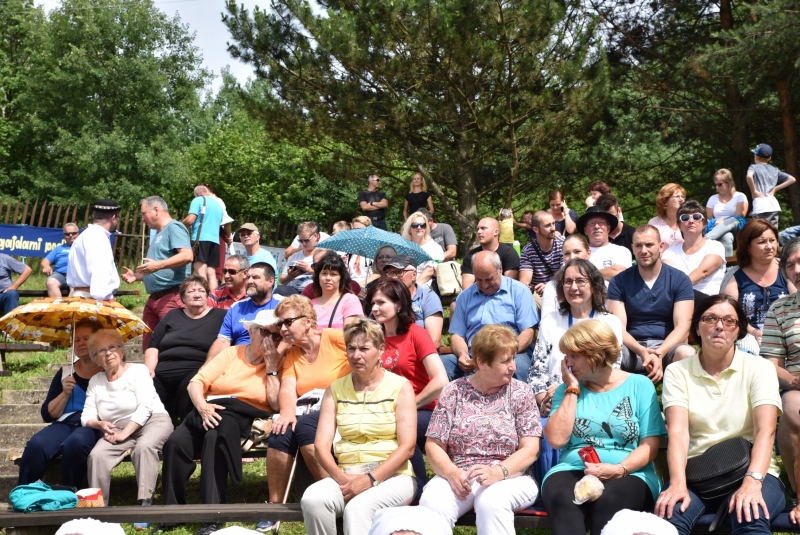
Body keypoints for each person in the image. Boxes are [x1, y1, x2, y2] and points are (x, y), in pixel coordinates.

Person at [656, 295, 784, 535]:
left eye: (729, 321)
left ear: (739, 331)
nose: (719, 326)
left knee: (750, 514)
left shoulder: (760, 368)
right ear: (697, 326)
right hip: (697, 475)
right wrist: (677, 483)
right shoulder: (677, 372)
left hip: (754, 470)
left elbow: (765, 431)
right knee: (668, 519)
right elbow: (678, 432)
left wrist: (752, 482)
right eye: (710, 318)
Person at [161, 310, 282, 535]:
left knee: (214, 437)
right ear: (251, 331)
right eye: (265, 332)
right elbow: (196, 382)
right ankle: (171, 508)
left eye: (276, 336)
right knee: (175, 442)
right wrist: (202, 406)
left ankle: (213, 514)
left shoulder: (278, 360)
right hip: (210, 410)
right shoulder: (231, 353)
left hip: (246, 416)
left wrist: (272, 366)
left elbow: (275, 405)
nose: (270, 340)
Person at [542, 320, 666, 535]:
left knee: (611, 500)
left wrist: (619, 470)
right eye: (566, 356)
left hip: (630, 471)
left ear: (596, 354)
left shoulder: (639, 385)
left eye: (574, 355)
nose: (567, 363)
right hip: (572, 469)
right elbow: (556, 440)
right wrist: (572, 389)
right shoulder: (567, 389)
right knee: (563, 498)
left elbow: (650, 446)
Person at [420, 324, 541, 534]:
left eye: (513, 358)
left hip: (510, 476)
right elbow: (434, 444)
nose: (513, 366)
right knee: (433, 502)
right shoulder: (454, 391)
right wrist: (451, 473)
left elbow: (531, 448)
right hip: (460, 474)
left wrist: (498, 472)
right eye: (505, 361)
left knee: (492, 503)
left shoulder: (521, 392)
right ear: (482, 363)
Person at [300, 319, 417, 534]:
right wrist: (343, 479)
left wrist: (370, 480)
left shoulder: (400, 387)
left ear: (381, 349)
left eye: (364, 348)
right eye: (351, 348)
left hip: (393, 476)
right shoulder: (334, 389)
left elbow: (408, 446)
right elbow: (320, 446)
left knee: (357, 508)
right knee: (313, 499)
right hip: (347, 473)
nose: (356, 355)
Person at [257, 295, 352, 533]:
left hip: (344, 404)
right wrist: (287, 413)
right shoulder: (292, 354)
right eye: (280, 324)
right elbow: (288, 389)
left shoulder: (335, 338)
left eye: (288, 322)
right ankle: (275, 505)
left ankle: (334, 495)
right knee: (281, 431)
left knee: (306, 425)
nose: (283, 328)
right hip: (309, 408)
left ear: (309, 321)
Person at [528, 259, 624, 484]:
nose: (573, 287)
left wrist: (568, 391)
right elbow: (536, 372)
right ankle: (550, 489)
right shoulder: (551, 320)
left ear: (594, 286)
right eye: (568, 282)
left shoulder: (610, 322)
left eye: (580, 281)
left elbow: (612, 371)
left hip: (595, 398)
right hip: (553, 401)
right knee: (543, 427)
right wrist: (544, 401)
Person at [366, 279, 447, 495]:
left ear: (399, 305)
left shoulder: (416, 333)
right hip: (386, 409)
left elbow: (440, 381)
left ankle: (418, 491)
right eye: (373, 303)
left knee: (399, 428)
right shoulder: (374, 338)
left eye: (381, 302)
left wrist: (409, 405)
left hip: (426, 410)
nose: (375, 308)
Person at [82, 329, 173, 505]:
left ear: (122, 350)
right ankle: (97, 507)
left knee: (143, 447)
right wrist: (99, 424)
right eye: (101, 351)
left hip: (153, 420)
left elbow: (145, 407)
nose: (108, 353)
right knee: (97, 455)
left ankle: (145, 503)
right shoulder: (95, 381)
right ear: (95, 358)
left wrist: (124, 434)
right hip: (117, 428)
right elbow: (86, 416)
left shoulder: (139, 371)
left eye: (112, 347)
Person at [17, 319, 103, 488]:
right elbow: (47, 414)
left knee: (75, 444)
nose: (81, 343)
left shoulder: (108, 371)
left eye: (86, 338)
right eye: (76, 339)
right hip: (66, 423)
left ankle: (70, 492)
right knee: (37, 444)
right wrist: (64, 393)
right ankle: (25, 492)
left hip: (93, 425)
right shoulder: (65, 373)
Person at [607, 225, 695, 383]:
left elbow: (682, 327)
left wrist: (659, 353)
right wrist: (641, 351)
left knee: (687, 354)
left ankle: (679, 405)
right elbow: (618, 328)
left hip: (668, 347)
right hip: (632, 348)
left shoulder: (680, 280)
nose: (644, 250)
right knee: (605, 353)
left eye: (649, 245)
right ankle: (617, 399)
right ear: (632, 248)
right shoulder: (619, 282)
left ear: (661, 247)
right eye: (639, 246)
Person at [446, 251, 538, 382]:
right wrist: (462, 354)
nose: (484, 285)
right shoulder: (465, 297)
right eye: (479, 280)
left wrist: (507, 355)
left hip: (511, 354)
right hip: (475, 355)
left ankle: (518, 401)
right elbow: (457, 335)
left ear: (500, 269)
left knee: (520, 367)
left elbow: (528, 332)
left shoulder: (519, 291)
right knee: (442, 364)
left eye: (489, 279)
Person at [145, 275, 227, 420]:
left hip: (196, 371)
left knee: (189, 390)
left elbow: (226, 343)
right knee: (146, 400)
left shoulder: (220, 316)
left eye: (201, 291)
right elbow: (154, 344)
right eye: (191, 291)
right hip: (163, 372)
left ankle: (184, 434)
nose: (196, 295)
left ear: (207, 295)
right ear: (182, 297)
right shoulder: (172, 315)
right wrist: (149, 369)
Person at [758, 238, 800, 519]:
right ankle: (799, 496)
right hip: (797, 385)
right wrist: (795, 382)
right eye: (790, 265)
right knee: (794, 409)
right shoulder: (780, 309)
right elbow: (771, 364)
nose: (797, 269)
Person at [122, 196, 192, 349]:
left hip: (171, 297)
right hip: (154, 299)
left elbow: (187, 255)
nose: (142, 219)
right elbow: (158, 268)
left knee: (171, 343)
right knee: (150, 346)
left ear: (156, 210)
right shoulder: (159, 233)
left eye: (143, 213)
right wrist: (138, 276)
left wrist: (157, 266)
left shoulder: (174, 227)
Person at [723, 219, 794, 355]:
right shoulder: (734, 276)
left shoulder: (787, 269)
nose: (769, 246)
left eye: (772, 240)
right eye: (762, 242)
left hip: (787, 331)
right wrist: (754, 332)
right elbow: (728, 313)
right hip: (748, 335)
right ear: (747, 247)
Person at [206, 262, 280, 361]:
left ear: (270, 281)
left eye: (255, 277)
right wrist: (208, 365)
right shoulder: (236, 307)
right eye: (248, 277)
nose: (249, 281)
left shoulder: (283, 306)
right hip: (236, 361)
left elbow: (288, 341)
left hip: (269, 360)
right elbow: (223, 341)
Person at [662, 200, 726, 300]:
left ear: (704, 223)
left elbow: (703, 272)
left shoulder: (716, 246)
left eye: (697, 217)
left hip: (710, 302)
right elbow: (668, 278)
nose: (691, 221)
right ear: (679, 225)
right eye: (685, 218)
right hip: (680, 300)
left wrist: (678, 289)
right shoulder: (670, 253)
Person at [383, 255, 443, 347]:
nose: (394, 277)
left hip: (420, 355)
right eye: (391, 273)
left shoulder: (427, 297)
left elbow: (434, 340)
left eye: (399, 272)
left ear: (414, 275)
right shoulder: (383, 299)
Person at [67, 199, 121, 301]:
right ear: (113, 218)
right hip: (92, 300)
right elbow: (100, 272)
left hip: (79, 296)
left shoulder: (83, 236)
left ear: (93, 216)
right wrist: (106, 297)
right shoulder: (98, 238)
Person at [182, 185, 225, 291]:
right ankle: (214, 301)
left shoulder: (198, 200)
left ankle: (203, 299)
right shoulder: (218, 205)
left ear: (197, 194)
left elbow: (190, 220)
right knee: (212, 274)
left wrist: (178, 225)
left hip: (201, 240)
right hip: (215, 242)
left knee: (201, 272)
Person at [519, 210, 564, 307]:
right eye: (548, 226)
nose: (553, 228)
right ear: (535, 230)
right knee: (526, 302)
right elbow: (524, 281)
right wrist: (527, 287)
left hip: (562, 289)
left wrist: (549, 286)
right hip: (540, 295)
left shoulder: (563, 244)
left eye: (553, 224)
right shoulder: (528, 250)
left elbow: (567, 274)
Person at [541, 234, 592, 318]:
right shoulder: (551, 287)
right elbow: (547, 319)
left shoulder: (604, 284)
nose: (572, 257)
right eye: (567, 253)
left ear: (588, 253)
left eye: (577, 252)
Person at [308, 252, 363, 330]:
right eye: (324, 273)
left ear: (341, 278)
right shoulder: (310, 305)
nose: (328, 278)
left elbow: (350, 334)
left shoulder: (350, 300)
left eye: (333, 274)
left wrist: (318, 334)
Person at [460, 218, 520, 290]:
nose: (479, 232)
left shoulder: (509, 253)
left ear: (496, 232)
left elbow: (510, 284)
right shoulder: (471, 255)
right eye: (478, 229)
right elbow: (467, 287)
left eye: (483, 228)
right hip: (477, 296)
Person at [747, 143, 796, 228]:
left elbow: (749, 176)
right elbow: (792, 179)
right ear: (769, 158)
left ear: (756, 156)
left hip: (761, 206)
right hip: (773, 206)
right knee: (773, 233)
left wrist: (754, 191)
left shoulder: (754, 167)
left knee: (760, 233)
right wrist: (775, 189)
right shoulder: (775, 170)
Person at [576, 206, 631, 283]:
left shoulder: (621, 251)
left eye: (601, 223)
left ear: (608, 228)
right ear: (585, 230)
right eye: (592, 223)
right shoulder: (577, 253)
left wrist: (585, 274)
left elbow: (621, 274)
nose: (596, 226)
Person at [705, 168, 748, 257]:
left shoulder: (740, 196)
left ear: (729, 183)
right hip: (718, 228)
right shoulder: (712, 198)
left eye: (720, 184)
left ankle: (706, 240)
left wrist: (723, 220)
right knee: (727, 237)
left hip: (737, 226)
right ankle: (727, 266)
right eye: (716, 185)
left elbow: (740, 215)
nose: (717, 187)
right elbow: (708, 217)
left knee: (733, 220)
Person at [400, 212, 444, 288]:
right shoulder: (404, 248)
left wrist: (413, 288)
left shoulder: (434, 247)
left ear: (426, 228)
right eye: (415, 225)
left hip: (424, 285)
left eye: (423, 225)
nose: (419, 227)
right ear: (409, 229)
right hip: (403, 284)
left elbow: (429, 271)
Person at [280, 221, 322, 295]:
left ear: (316, 236)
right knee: (280, 290)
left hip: (313, 289)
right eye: (300, 241)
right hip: (293, 288)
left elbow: (326, 277)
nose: (303, 244)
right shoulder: (295, 255)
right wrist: (290, 276)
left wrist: (309, 270)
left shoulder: (323, 255)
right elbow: (282, 280)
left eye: (306, 240)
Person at [42, 222, 79, 298]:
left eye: (73, 233)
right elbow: (45, 261)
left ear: (78, 234)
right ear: (64, 236)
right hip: (60, 274)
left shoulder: (83, 248)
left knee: (75, 286)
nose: (70, 235)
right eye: (67, 234)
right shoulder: (59, 249)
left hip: (76, 275)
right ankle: (58, 308)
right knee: (50, 282)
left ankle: (69, 307)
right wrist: (46, 266)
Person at [649, 184, 686, 248]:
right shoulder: (654, 223)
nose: (681, 199)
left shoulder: (689, 220)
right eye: (677, 196)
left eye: (683, 197)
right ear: (665, 200)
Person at [348, 216, 373, 287]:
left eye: (359, 229)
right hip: (352, 286)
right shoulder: (350, 250)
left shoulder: (374, 249)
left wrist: (359, 286)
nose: (356, 232)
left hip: (368, 286)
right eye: (354, 229)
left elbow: (378, 274)